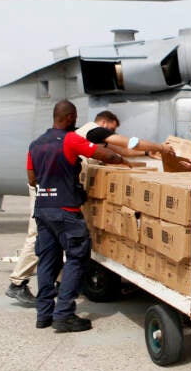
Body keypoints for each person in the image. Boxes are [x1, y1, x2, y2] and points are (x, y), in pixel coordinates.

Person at [28, 100, 124, 332]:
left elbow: (32, 180)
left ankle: (44, 315)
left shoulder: (35, 144)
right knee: (76, 259)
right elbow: (106, 155)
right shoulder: (70, 139)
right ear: (70, 117)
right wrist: (122, 160)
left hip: (43, 210)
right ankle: (64, 315)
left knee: (47, 261)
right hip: (66, 211)